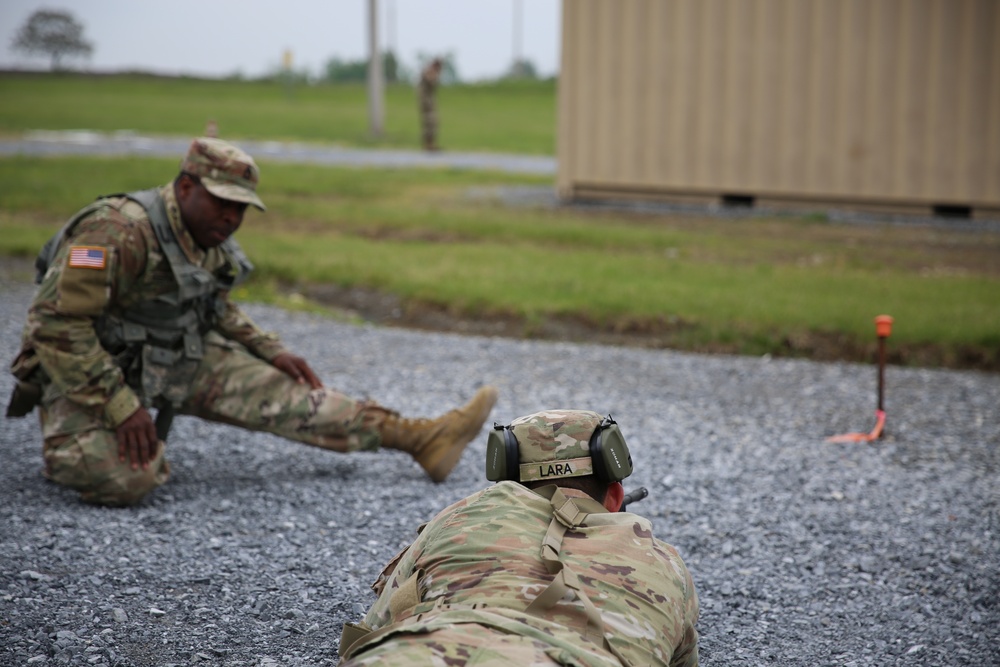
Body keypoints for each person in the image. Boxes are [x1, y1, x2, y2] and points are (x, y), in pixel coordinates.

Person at [5, 137, 498, 507]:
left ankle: (421, 439)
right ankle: (75, 445)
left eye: (241, 208)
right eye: (222, 202)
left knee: (293, 395)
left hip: (167, 357)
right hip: (88, 373)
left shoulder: (206, 236)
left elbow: (213, 304)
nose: (231, 217)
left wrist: (268, 349)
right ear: (184, 187)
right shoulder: (117, 231)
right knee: (128, 480)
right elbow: (55, 326)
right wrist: (119, 406)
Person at [337, 409, 700, 667]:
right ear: (616, 497)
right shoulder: (664, 562)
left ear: (508, 481)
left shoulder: (462, 516)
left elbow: (370, 631)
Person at [417, 58, 443, 151]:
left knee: (433, 123)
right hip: (426, 102)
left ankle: (431, 144)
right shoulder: (428, 71)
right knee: (429, 123)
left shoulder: (430, 71)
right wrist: (435, 75)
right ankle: (428, 144)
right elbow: (431, 83)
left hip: (429, 101)